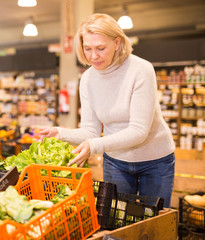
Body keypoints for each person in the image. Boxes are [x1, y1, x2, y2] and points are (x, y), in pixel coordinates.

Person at [39, 13, 175, 208]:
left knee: (152, 223)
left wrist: (94, 146)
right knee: (116, 220)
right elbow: (90, 131)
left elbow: (139, 131)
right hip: (116, 161)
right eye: (87, 49)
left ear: (117, 43)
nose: (93, 56)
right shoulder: (87, 79)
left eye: (101, 48)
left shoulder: (140, 70)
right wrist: (60, 133)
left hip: (155, 161)